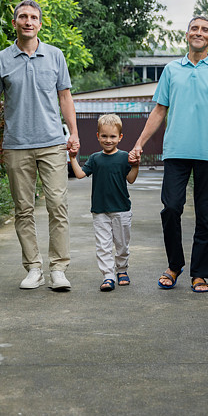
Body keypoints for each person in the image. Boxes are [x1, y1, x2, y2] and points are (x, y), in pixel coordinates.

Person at [128, 16, 208, 293]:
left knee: (206, 215)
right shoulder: (171, 70)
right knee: (171, 209)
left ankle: (199, 274)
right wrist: (140, 142)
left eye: (205, 30)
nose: (199, 33)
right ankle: (174, 265)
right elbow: (159, 110)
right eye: (195, 28)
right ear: (187, 34)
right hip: (176, 152)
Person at [0, 0, 79, 291]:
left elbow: (65, 97)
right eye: (23, 16)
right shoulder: (1, 60)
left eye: (33, 17)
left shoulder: (55, 55)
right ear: (15, 23)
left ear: (39, 23)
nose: (28, 21)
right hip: (16, 145)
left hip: (52, 143)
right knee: (23, 209)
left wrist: (73, 133)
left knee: (58, 205)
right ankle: (33, 268)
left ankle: (59, 269)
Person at [69, 114, 140, 292]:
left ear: (120, 137)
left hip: (122, 209)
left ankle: (122, 270)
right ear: (98, 136)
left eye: (113, 136)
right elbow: (79, 174)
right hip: (100, 211)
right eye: (104, 136)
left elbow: (130, 179)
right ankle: (108, 275)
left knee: (122, 244)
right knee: (103, 245)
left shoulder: (124, 157)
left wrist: (136, 165)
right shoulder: (94, 158)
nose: (108, 140)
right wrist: (72, 157)